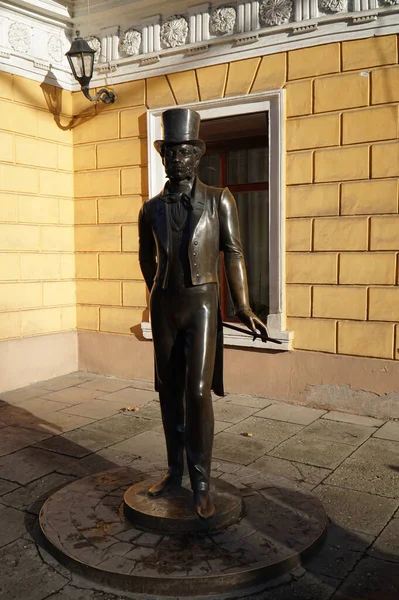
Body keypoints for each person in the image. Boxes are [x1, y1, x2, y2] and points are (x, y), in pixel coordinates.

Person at [138, 108, 268, 520]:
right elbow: (146, 259)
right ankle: (174, 472)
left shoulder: (219, 199)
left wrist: (243, 306)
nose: (177, 159)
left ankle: (202, 484)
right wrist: (160, 288)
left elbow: (234, 252)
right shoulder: (150, 209)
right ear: (163, 157)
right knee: (168, 393)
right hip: (165, 304)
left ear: (197, 156)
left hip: (202, 304)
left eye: (184, 152)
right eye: (170, 153)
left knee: (196, 392)